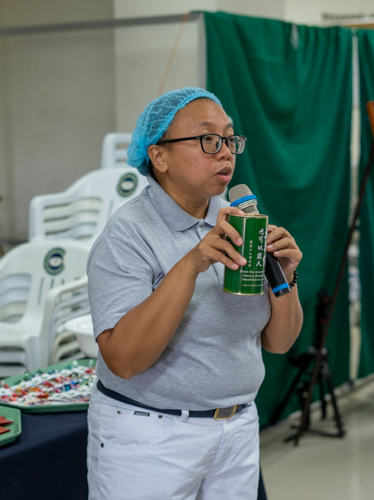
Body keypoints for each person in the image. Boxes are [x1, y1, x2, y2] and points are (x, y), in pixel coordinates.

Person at [85, 87, 303, 499]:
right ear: (159, 156)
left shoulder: (239, 222)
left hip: (236, 427)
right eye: (207, 139)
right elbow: (123, 361)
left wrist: (286, 278)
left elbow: (279, 341)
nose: (224, 152)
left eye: (229, 138)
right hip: (153, 436)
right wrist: (190, 264)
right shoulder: (128, 235)